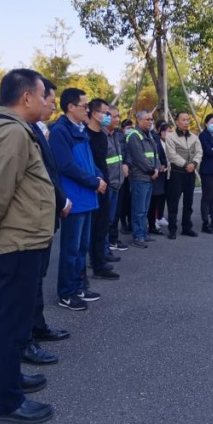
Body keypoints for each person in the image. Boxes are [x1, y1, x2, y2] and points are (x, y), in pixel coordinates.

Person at [0, 69, 55, 424]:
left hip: (20, 238)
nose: (44, 101)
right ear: (26, 97)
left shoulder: (6, 129)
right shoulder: (13, 133)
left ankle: (10, 378)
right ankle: (7, 400)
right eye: (42, 94)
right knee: (8, 321)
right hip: (16, 241)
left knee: (12, 319)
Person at [21, 78, 72, 363]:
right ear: (28, 97)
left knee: (36, 279)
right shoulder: (18, 131)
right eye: (47, 99)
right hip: (28, 222)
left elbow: (50, 173)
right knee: (25, 285)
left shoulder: (40, 130)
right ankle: (25, 340)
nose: (50, 105)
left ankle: (37, 327)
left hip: (43, 216)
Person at [50, 88, 107, 310]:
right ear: (71, 107)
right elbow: (66, 166)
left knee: (82, 247)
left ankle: (79, 285)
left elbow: (89, 161)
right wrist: (94, 182)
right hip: (74, 198)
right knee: (71, 249)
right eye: (84, 106)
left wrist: (98, 176)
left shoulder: (80, 129)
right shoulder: (60, 131)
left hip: (87, 197)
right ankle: (66, 292)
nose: (87, 110)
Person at [86, 98, 121, 280]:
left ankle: (100, 263)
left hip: (105, 185)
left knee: (102, 226)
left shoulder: (102, 135)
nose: (108, 116)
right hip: (92, 186)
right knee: (91, 229)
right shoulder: (86, 135)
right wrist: (96, 181)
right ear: (94, 113)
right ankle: (94, 262)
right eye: (106, 113)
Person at [126, 110, 161, 248]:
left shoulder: (149, 135)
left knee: (145, 209)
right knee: (138, 209)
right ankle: (138, 236)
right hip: (139, 177)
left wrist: (157, 168)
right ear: (139, 120)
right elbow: (139, 157)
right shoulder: (134, 136)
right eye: (147, 119)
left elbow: (155, 154)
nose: (150, 122)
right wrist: (152, 170)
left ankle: (144, 233)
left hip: (149, 177)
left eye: (151, 119)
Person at [164, 111, 202, 239]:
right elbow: (171, 155)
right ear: (177, 122)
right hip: (177, 173)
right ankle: (172, 229)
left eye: (187, 120)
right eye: (183, 120)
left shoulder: (194, 137)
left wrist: (194, 163)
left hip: (190, 174)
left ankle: (187, 227)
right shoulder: (171, 137)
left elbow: (199, 152)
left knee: (188, 202)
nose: (186, 122)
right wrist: (186, 164)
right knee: (173, 202)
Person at [107, 106, 129, 253]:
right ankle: (106, 244)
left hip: (119, 181)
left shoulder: (117, 135)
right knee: (106, 218)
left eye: (118, 116)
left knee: (115, 215)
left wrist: (126, 163)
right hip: (108, 182)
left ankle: (113, 239)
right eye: (114, 116)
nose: (118, 119)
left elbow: (124, 153)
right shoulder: (101, 136)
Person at [148, 120, 171, 234]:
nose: (150, 122)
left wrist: (164, 165)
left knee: (161, 197)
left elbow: (163, 156)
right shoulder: (152, 138)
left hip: (164, 172)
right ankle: (151, 222)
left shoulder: (158, 138)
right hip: (153, 173)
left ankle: (157, 219)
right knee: (152, 199)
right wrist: (158, 167)